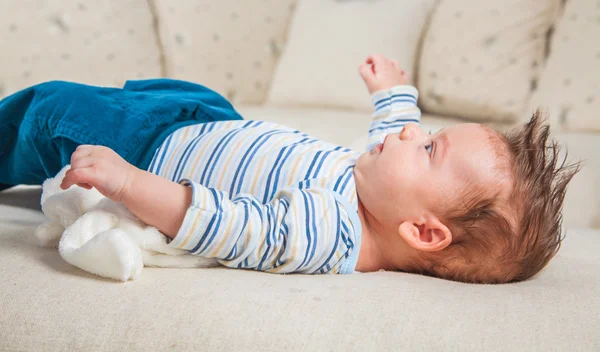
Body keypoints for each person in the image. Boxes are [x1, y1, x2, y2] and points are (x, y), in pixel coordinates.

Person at [0, 55, 579, 283]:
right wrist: (393, 94)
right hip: (211, 122)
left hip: (151, 152)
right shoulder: (384, 192)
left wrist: (128, 182)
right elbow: (392, 139)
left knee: (54, 111)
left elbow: (227, 223)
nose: (412, 133)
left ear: (422, 233)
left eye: (430, 148)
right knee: (175, 90)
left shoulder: (327, 234)